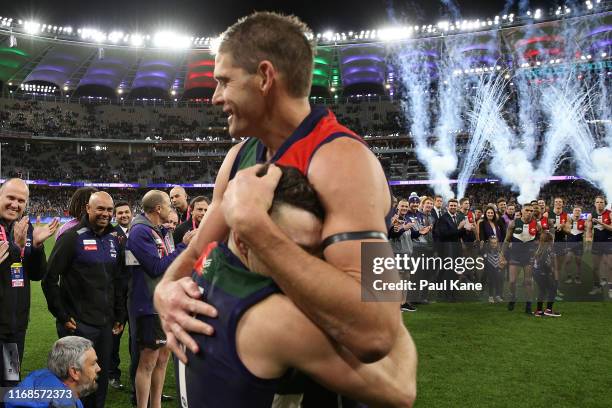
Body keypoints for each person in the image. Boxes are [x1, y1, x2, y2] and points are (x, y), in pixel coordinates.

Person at [154, 11, 401, 370]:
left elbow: (377, 330)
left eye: (224, 81)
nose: (215, 97)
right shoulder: (240, 156)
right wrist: (166, 289)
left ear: (265, 77)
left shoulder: (344, 161)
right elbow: (195, 249)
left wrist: (257, 228)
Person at [180, 165, 417, 408]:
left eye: (319, 250)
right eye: (291, 249)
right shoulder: (276, 319)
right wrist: (386, 295)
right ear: (243, 241)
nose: (315, 267)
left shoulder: (212, 260)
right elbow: (400, 387)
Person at [42, 192, 126, 408]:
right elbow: (49, 278)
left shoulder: (114, 239)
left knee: (98, 381)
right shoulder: (72, 237)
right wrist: (61, 314)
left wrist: (120, 313)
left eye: (109, 210)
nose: (105, 214)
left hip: (106, 325)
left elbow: (118, 279)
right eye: (100, 209)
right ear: (88, 209)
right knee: (75, 384)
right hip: (78, 325)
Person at [125, 191, 194, 408]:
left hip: (164, 304)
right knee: (148, 362)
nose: (172, 208)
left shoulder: (159, 231)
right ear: (158, 209)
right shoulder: (139, 232)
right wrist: (183, 246)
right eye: (168, 205)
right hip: (148, 306)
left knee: (162, 360)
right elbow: (156, 267)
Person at [0, 178, 56, 388]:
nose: (15, 204)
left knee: (10, 383)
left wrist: (38, 248)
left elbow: (36, 273)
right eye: (11, 198)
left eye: (21, 200)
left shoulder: (25, 226)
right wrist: (16, 246)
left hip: (15, 328)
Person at [4, 336, 100, 408]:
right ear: (74, 372)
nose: (98, 368)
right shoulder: (62, 404)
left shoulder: (40, 375)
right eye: (93, 363)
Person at [108, 201, 133, 391]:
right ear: (115, 216)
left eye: (127, 212)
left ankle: (137, 375)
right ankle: (112, 375)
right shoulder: (112, 234)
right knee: (115, 336)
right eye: (120, 213)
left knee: (137, 337)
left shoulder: (139, 230)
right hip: (118, 295)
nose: (124, 215)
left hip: (136, 292)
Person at [500, 203, 542, 314]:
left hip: (529, 257)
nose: (529, 212)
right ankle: (513, 297)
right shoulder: (513, 223)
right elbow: (507, 240)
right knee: (512, 282)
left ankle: (528, 304)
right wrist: (502, 254)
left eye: (531, 210)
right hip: (515, 255)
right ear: (522, 211)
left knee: (528, 281)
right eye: (527, 210)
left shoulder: (537, 225)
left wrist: (538, 252)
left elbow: (541, 241)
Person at [388, 198, 416, 312]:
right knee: (398, 278)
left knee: (406, 277)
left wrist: (420, 232)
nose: (404, 208)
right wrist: (404, 228)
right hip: (398, 253)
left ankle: (403, 302)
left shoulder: (406, 219)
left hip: (407, 252)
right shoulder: (393, 219)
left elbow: (409, 235)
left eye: (406, 206)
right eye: (402, 206)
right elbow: (392, 234)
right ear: (397, 207)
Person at [585, 196, 612, 297]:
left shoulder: (610, 213)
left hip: (609, 242)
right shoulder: (591, 215)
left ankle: (610, 289)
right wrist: (588, 240)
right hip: (596, 243)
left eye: (601, 202)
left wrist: (601, 223)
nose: (599, 204)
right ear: (594, 203)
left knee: (610, 266)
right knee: (595, 267)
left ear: (605, 203)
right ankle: (597, 287)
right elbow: (588, 230)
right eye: (597, 202)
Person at [532, 232, 562, 317]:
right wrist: (551, 271)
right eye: (551, 240)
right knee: (553, 289)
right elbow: (544, 262)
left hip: (536, 273)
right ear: (549, 240)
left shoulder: (539, 247)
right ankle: (548, 310)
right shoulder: (548, 249)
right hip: (543, 273)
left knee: (542, 290)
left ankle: (539, 311)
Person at [545, 197, 568, 283]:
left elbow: (569, 231)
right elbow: (543, 229)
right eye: (556, 202)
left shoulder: (566, 216)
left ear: (563, 204)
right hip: (550, 242)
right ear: (553, 203)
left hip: (561, 242)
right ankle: (549, 283)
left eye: (560, 202)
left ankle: (555, 285)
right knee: (549, 264)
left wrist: (563, 226)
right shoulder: (547, 215)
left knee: (559, 266)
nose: (558, 203)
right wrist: (553, 228)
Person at [563, 206, 586, 285]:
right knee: (567, 261)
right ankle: (569, 276)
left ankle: (577, 277)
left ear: (581, 212)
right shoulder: (568, 221)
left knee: (578, 262)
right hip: (569, 244)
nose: (577, 212)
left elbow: (587, 232)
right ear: (573, 212)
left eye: (579, 210)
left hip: (579, 245)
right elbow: (565, 231)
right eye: (575, 210)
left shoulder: (584, 221)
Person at [483, 236, 504, 303]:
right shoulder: (486, 251)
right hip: (489, 269)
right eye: (491, 243)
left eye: (495, 243)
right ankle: (490, 296)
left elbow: (503, 260)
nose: (493, 244)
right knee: (491, 282)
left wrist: (502, 264)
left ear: (497, 243)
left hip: (497, 268)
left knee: (498, 281)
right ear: (489, 243)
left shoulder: (499, 251)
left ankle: (498, 296)